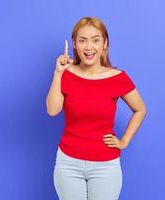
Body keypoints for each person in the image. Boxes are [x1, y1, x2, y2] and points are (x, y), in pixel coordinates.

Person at [46, 16, 147, 200]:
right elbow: (52, 111)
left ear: (105, 44)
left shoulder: (118, 78)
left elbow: (140, 109)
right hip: (68, 163)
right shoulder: (66, 73)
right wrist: (58, 73)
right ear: (75, 44)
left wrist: (124, 141)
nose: (89, 46)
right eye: (82, 40)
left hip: (105, 166)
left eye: (95, 40)